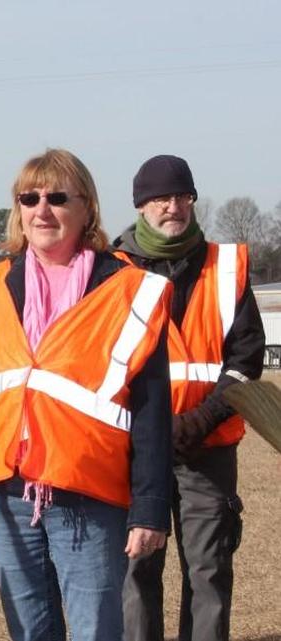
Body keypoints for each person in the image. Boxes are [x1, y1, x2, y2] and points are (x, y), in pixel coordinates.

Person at [0, 148, 174, 641]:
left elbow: (152, 414)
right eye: (30, 197)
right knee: (30, 632)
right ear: (18, 209)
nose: (42, 209)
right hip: (6, 494)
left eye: (58, 197)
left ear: (88, 209)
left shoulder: (132, 290)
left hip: (89, 494)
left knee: (96, 632)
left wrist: (150, 509)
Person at [117, 155, 263, 641]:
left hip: (208, 449)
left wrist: (198, 421)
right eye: (160, 197)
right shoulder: (111, 269)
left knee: (209, 571)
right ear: (141, 205)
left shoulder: (227, 266)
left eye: (182, 196)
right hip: (134, 453)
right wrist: (151, 431)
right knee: (136, 572)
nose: (173, 206)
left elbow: (245, 361)